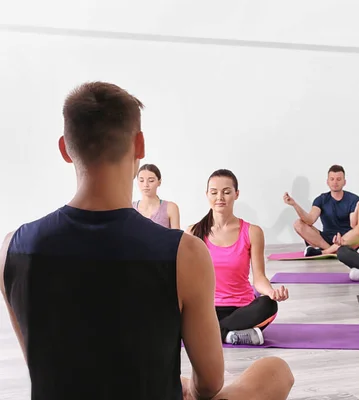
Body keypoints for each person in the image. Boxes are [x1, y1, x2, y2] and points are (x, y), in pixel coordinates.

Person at [0, 82, 294, 400]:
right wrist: (188, 389)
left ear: (64, 148)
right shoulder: (185, 253)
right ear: (139, 146)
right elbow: (210, 384)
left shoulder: (10, 249)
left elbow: (40, 364)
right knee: (275, 370)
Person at [187, 169, 289, 346]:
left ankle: (213, 333)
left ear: (236, 194)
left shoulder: (252, 232)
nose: (220, 197)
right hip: (207, 309)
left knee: (269, 305)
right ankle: (229, 335)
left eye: (226, 192)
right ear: (206, 194)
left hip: (241, 309)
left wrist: (271, 292)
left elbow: (259, 278)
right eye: (214, 192)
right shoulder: (193, 232)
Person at [283, 164, 359, 256]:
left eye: (338, 179)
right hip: (325, 240)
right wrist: (294, 204)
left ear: (344, 182)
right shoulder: (321, 199)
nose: (335, 182)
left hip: (347, 240)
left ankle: (326, 252)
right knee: (298, 224)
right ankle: (331, 250)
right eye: (332, 179)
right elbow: (310, 220)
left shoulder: (354, 199)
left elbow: (354, 224)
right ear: (327, 182)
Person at [133, 163, 181, 228]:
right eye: (141, 180)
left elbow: (177, 237)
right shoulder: (130, 208)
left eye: (151, 181)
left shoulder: (170, 208)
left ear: (159, 182)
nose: (145, 185)